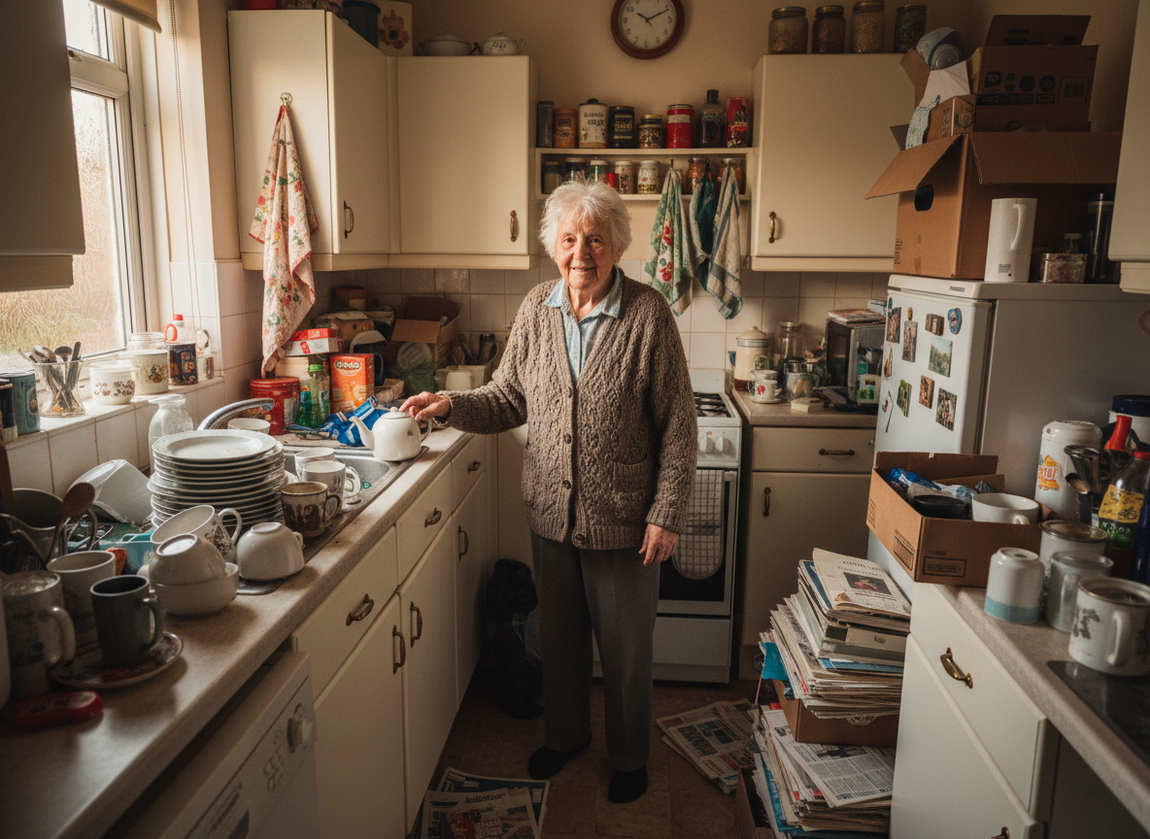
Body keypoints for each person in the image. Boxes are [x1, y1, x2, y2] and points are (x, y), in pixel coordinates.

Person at [400, 179, 697, 804]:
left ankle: (629, 756)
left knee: (625, 652)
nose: (581, 252)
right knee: (558, 643)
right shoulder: (537, 308)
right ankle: (565, 738)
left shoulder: (648, 315)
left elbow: (678, 426)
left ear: (617, 246)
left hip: (624, 519)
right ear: (552, 246)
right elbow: (509, 398)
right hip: (551, 515)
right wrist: (450, 403)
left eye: (595, 239)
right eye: (569, 239)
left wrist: (666, 513)